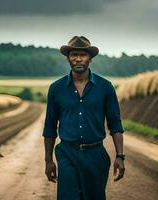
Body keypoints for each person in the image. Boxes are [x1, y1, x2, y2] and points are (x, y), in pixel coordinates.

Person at [42, 36, 125, 200]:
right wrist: (48, 161)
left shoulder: (105, 87)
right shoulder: (56, 89)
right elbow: (50, 127)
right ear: (68, 58)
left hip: (96, 156)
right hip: (67, 154)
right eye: (74, 54)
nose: (78, 59)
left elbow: (115, 124)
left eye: (83, 55)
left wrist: (120, 156)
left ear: (90, 58)